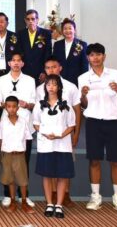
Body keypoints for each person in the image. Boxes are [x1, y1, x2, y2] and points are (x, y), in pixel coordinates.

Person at [78, 43, 117, 213]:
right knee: (94, 160)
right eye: (92, 55)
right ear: (88, 58)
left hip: (113, 121)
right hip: (93, 122)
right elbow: (83, 104)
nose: (96, 58)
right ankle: (95, 196)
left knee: (116, 160)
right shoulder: (83, 77)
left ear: (104, 56)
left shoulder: (116, 74)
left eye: (99, 54)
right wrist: (83, 94)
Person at [38, 56, 82, 206]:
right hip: (47, 136)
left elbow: (77, 111)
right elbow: (37, 114)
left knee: (64, 166)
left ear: (60, 68)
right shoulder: (40, 89)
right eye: (48, 68)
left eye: (54, 67)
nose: (51, 70)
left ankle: (65, 195)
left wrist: (76, 133)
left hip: (65, 134)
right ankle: (52, 196)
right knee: (49, 167)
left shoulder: (71, 86)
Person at [0, 52, 36, 207]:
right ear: (9, 63)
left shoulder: (30, 80)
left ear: (23, 63)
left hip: (24, 125)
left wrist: (26, 104)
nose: (16, 63)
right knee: (7, 163)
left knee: (23, 162)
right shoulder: (0, 80)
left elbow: (34, 103)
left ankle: (23, 195)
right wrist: (7, 105)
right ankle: (8, 194)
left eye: (19, 60)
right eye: (13, 60)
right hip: (6, 125)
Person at [33, 75, 76, 219]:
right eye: (48, 84)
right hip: (46, 145)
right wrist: (45, 133)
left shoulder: (66, 105)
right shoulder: (39, 105)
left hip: (62, 145)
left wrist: (60, 135)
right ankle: (49, 203)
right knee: (47, 174)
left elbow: (71, 125)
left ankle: (59, 205)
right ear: (45, 87)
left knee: (62, 175)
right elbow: (36, 123)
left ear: (59, 87)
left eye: (54, 84)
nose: (51, 87)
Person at [0, 96, 35, 214]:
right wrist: (2, 154)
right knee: (10, 179)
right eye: (9, 106)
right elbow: (0, 139)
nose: (12, 109)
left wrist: (24, 152)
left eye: (14, 106)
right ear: (5, 108)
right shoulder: (2, 122)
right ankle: (13, 201)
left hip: (20, 154)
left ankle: (24, 202)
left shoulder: (23, 121)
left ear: (18, 108)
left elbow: (28, 138)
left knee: (22, 180)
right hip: (7, 154)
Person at [17, 9, 52, 83]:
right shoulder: (20, 34)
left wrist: (45, 71)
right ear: (25, 21)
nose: (30, 21)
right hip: (24, 73)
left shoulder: (46, 34)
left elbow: (48, 54)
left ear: (37, 20)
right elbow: (19, 53)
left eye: (33, 19)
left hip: (40, 74)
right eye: (28, 19)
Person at [53, 18, 88, 84]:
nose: (67, 31)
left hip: (76, 80)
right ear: (62, 31)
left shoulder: (82, 44)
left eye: (70, 28)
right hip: (60, 79)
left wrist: (83, 81)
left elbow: (85, 65)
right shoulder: (57, 44)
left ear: (74, 30)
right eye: (65, 29)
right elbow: (55, 62)